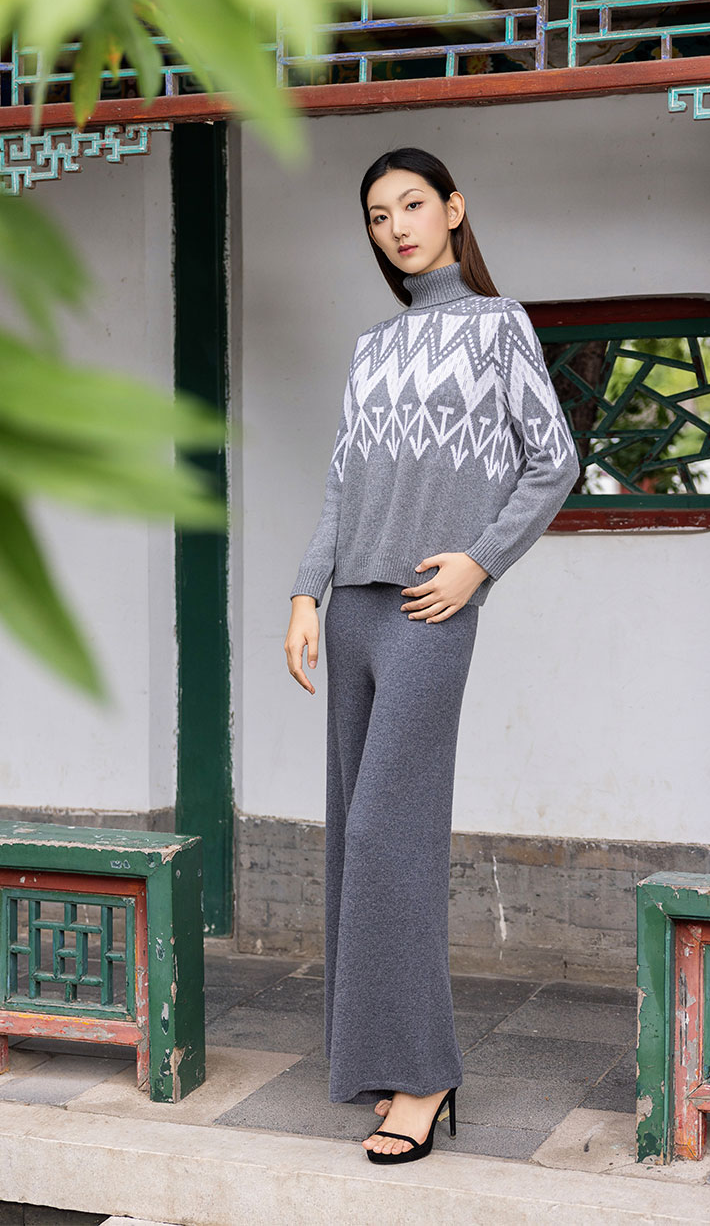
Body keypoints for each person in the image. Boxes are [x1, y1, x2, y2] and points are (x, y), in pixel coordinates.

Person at [284, 147, 580, 1164]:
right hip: (354, 612)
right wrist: (304, 592)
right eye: (379, 214)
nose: (398, 225)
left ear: (454, 209)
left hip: (428, 608)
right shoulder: (374, 347)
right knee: (353, 841)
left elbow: (554, 460)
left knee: (385, 836)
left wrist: (480, 562)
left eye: (413, 204)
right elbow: (341, 484)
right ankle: (382, 1060)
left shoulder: (500, 327)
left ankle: (423, 1071)